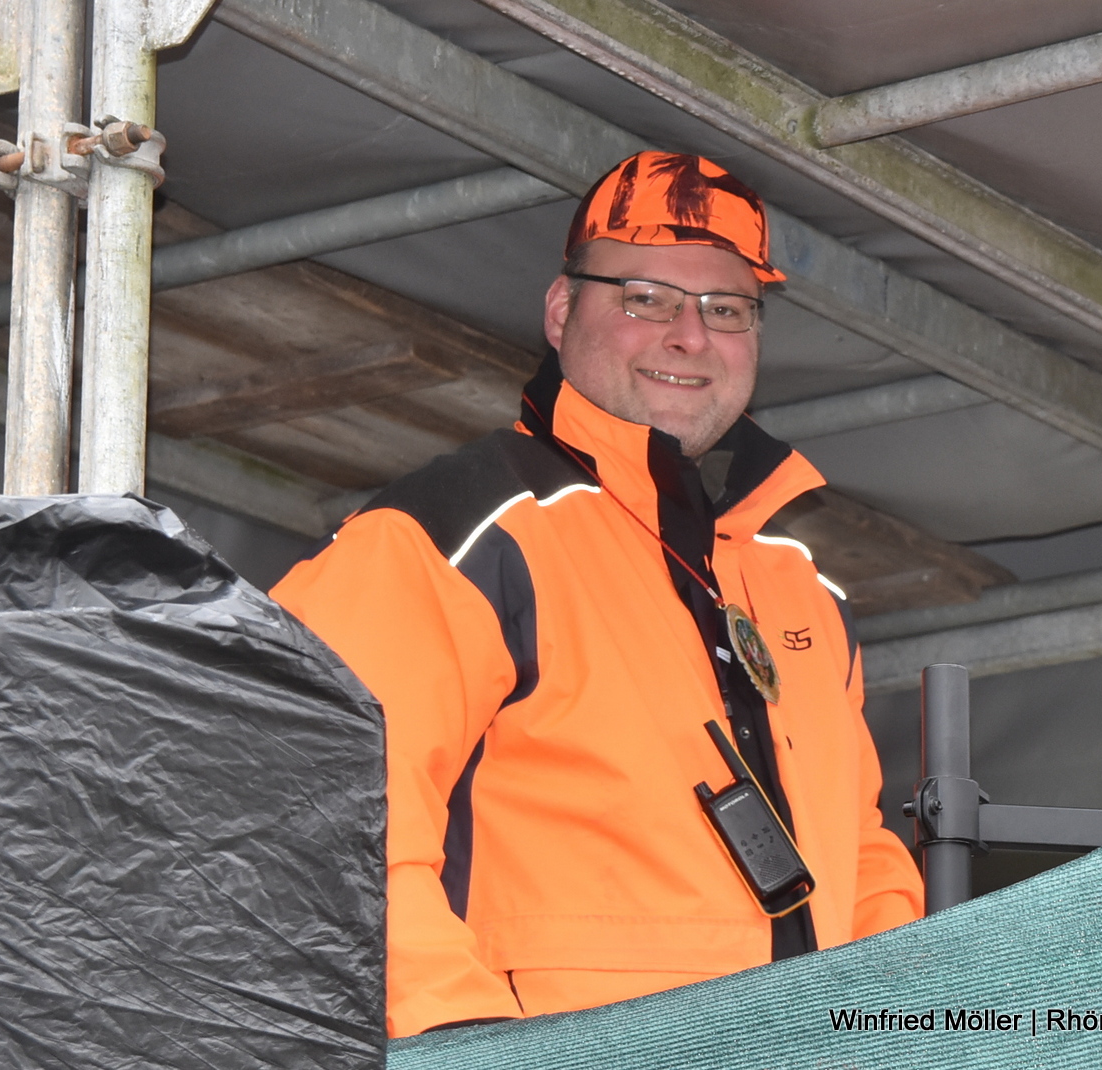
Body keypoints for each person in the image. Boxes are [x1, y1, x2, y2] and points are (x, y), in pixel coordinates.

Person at [271, 151, 924, 1038]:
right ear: (560, 310)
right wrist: (468, 1050)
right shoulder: (461, 532)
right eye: (646, 297)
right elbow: (316, 803)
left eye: (726, 308)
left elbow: (864, 855)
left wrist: (895, 1036)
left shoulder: (798, 590)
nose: (690, 336)